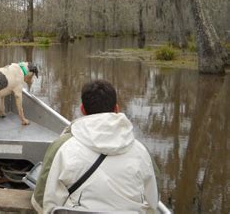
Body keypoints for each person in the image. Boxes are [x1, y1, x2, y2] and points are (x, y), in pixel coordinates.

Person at [35, 79, 158, 214]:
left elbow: (45, 203)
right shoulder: (141, 152)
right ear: (116, 109)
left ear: (82, 110)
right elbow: (153, 202)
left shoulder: (64, 147)